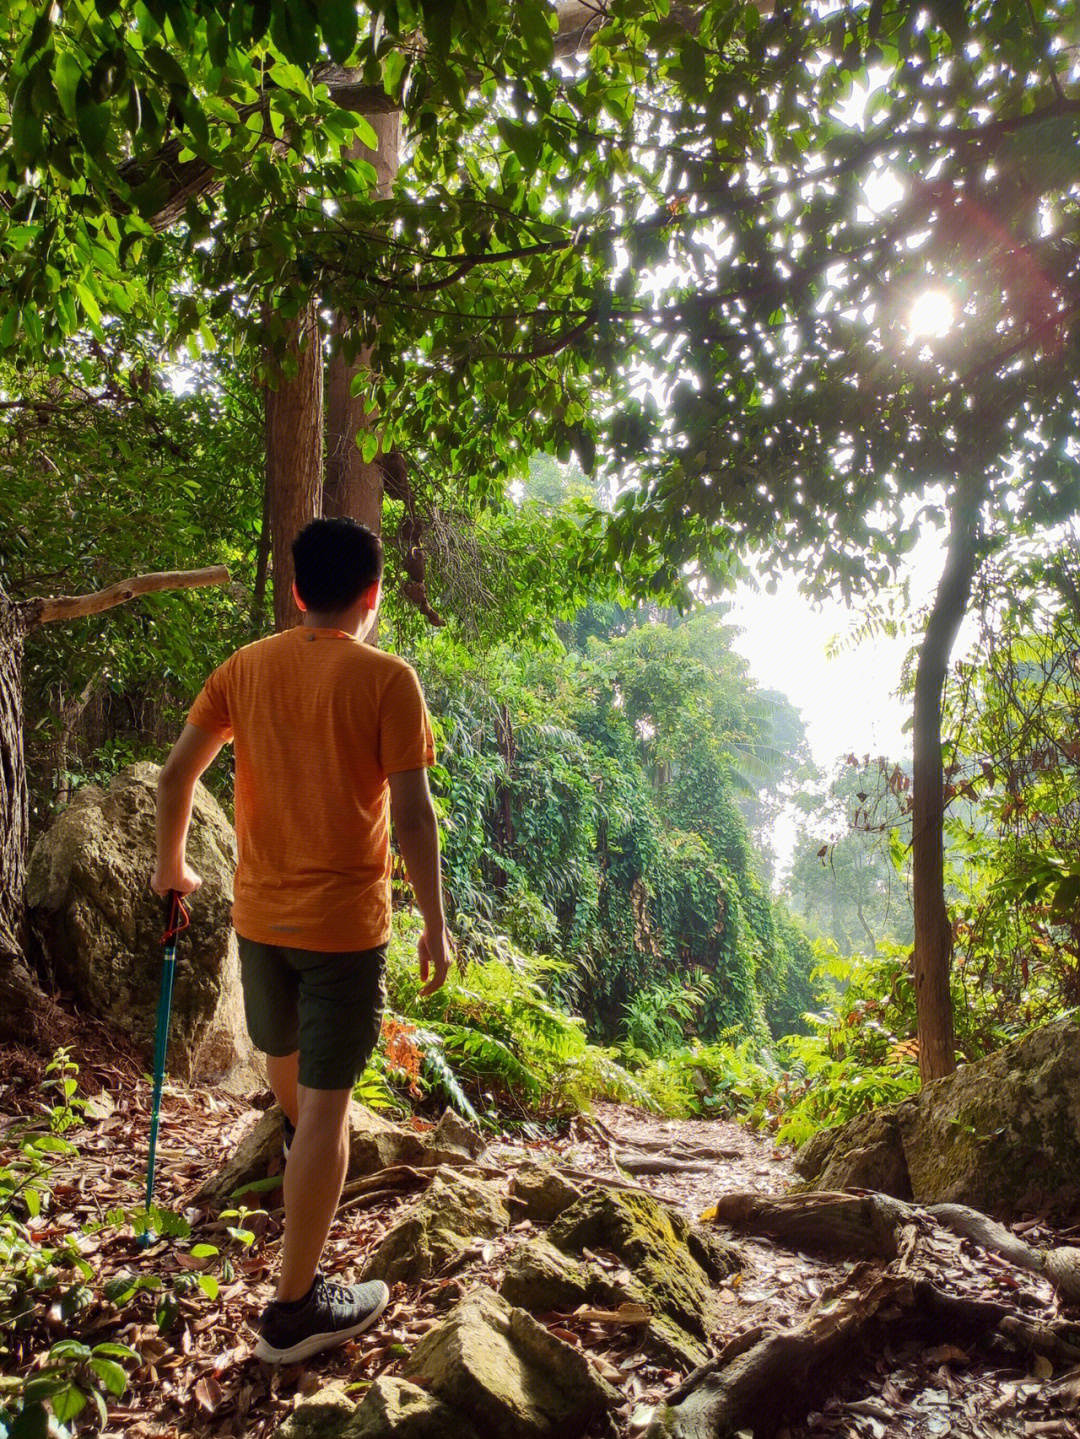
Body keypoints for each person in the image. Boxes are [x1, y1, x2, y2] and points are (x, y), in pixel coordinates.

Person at [151, 517, 451, 1365]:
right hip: (344, 934)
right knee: (326, 1110)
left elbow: (178, 774)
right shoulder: (388, 679)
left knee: (287, 1071)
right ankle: (294, 1310)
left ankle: (302, 1151)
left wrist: (172, 867)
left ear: (293, 590)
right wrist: (435, 922)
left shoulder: (246, 668)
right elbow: (417, 816)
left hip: (260, 922)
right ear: (373, 596)